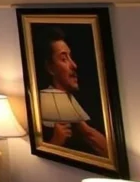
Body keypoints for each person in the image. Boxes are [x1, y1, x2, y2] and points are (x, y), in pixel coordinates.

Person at [37, 27, 109, 157]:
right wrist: (55, 142)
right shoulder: (42, 111)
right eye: (64, 59)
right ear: (50, 67)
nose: (74, 65)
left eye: (71, 57)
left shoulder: (88, 105)